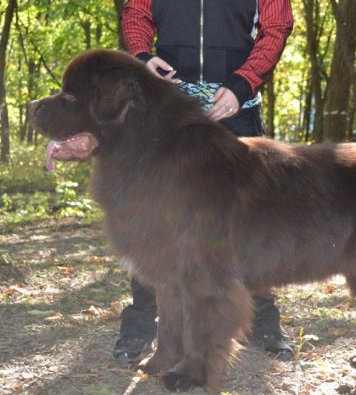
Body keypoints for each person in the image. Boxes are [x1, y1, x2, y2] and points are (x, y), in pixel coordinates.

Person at [115, 0, 294, 363]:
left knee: (249, 219)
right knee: (153, 216)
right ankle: (141, 327)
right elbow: (136, 12)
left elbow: (277, 26)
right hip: (167, 103)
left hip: (235, 104)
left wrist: (242, 84)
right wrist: (143, 56)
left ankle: (264, 323)